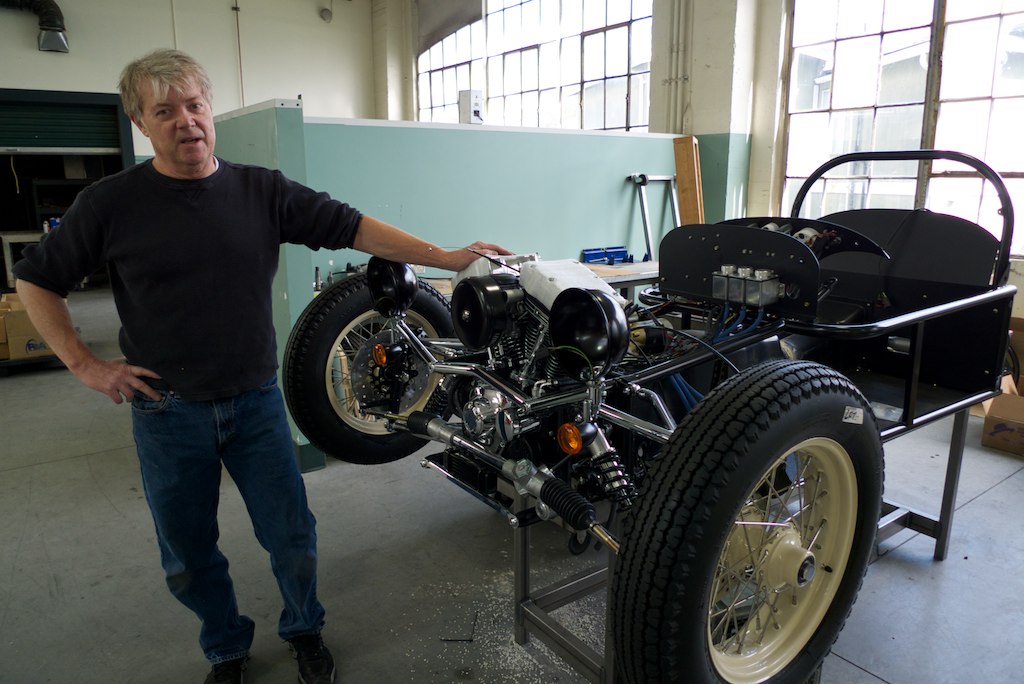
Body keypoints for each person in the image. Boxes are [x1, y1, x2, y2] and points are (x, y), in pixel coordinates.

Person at [13, 48, 510, 684]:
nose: (185, 122)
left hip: (254, 404)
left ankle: (304, 630)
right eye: (165, 111)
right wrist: (84, 365)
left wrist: (442, 255)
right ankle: (225, 648)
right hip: (166, 412)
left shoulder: (261, 191)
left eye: (194, 106)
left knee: (292, 538)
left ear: (208, 109)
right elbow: (35, 279)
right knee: (188, 557)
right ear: (141, 123)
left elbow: (352, 226)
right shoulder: (110, 204)